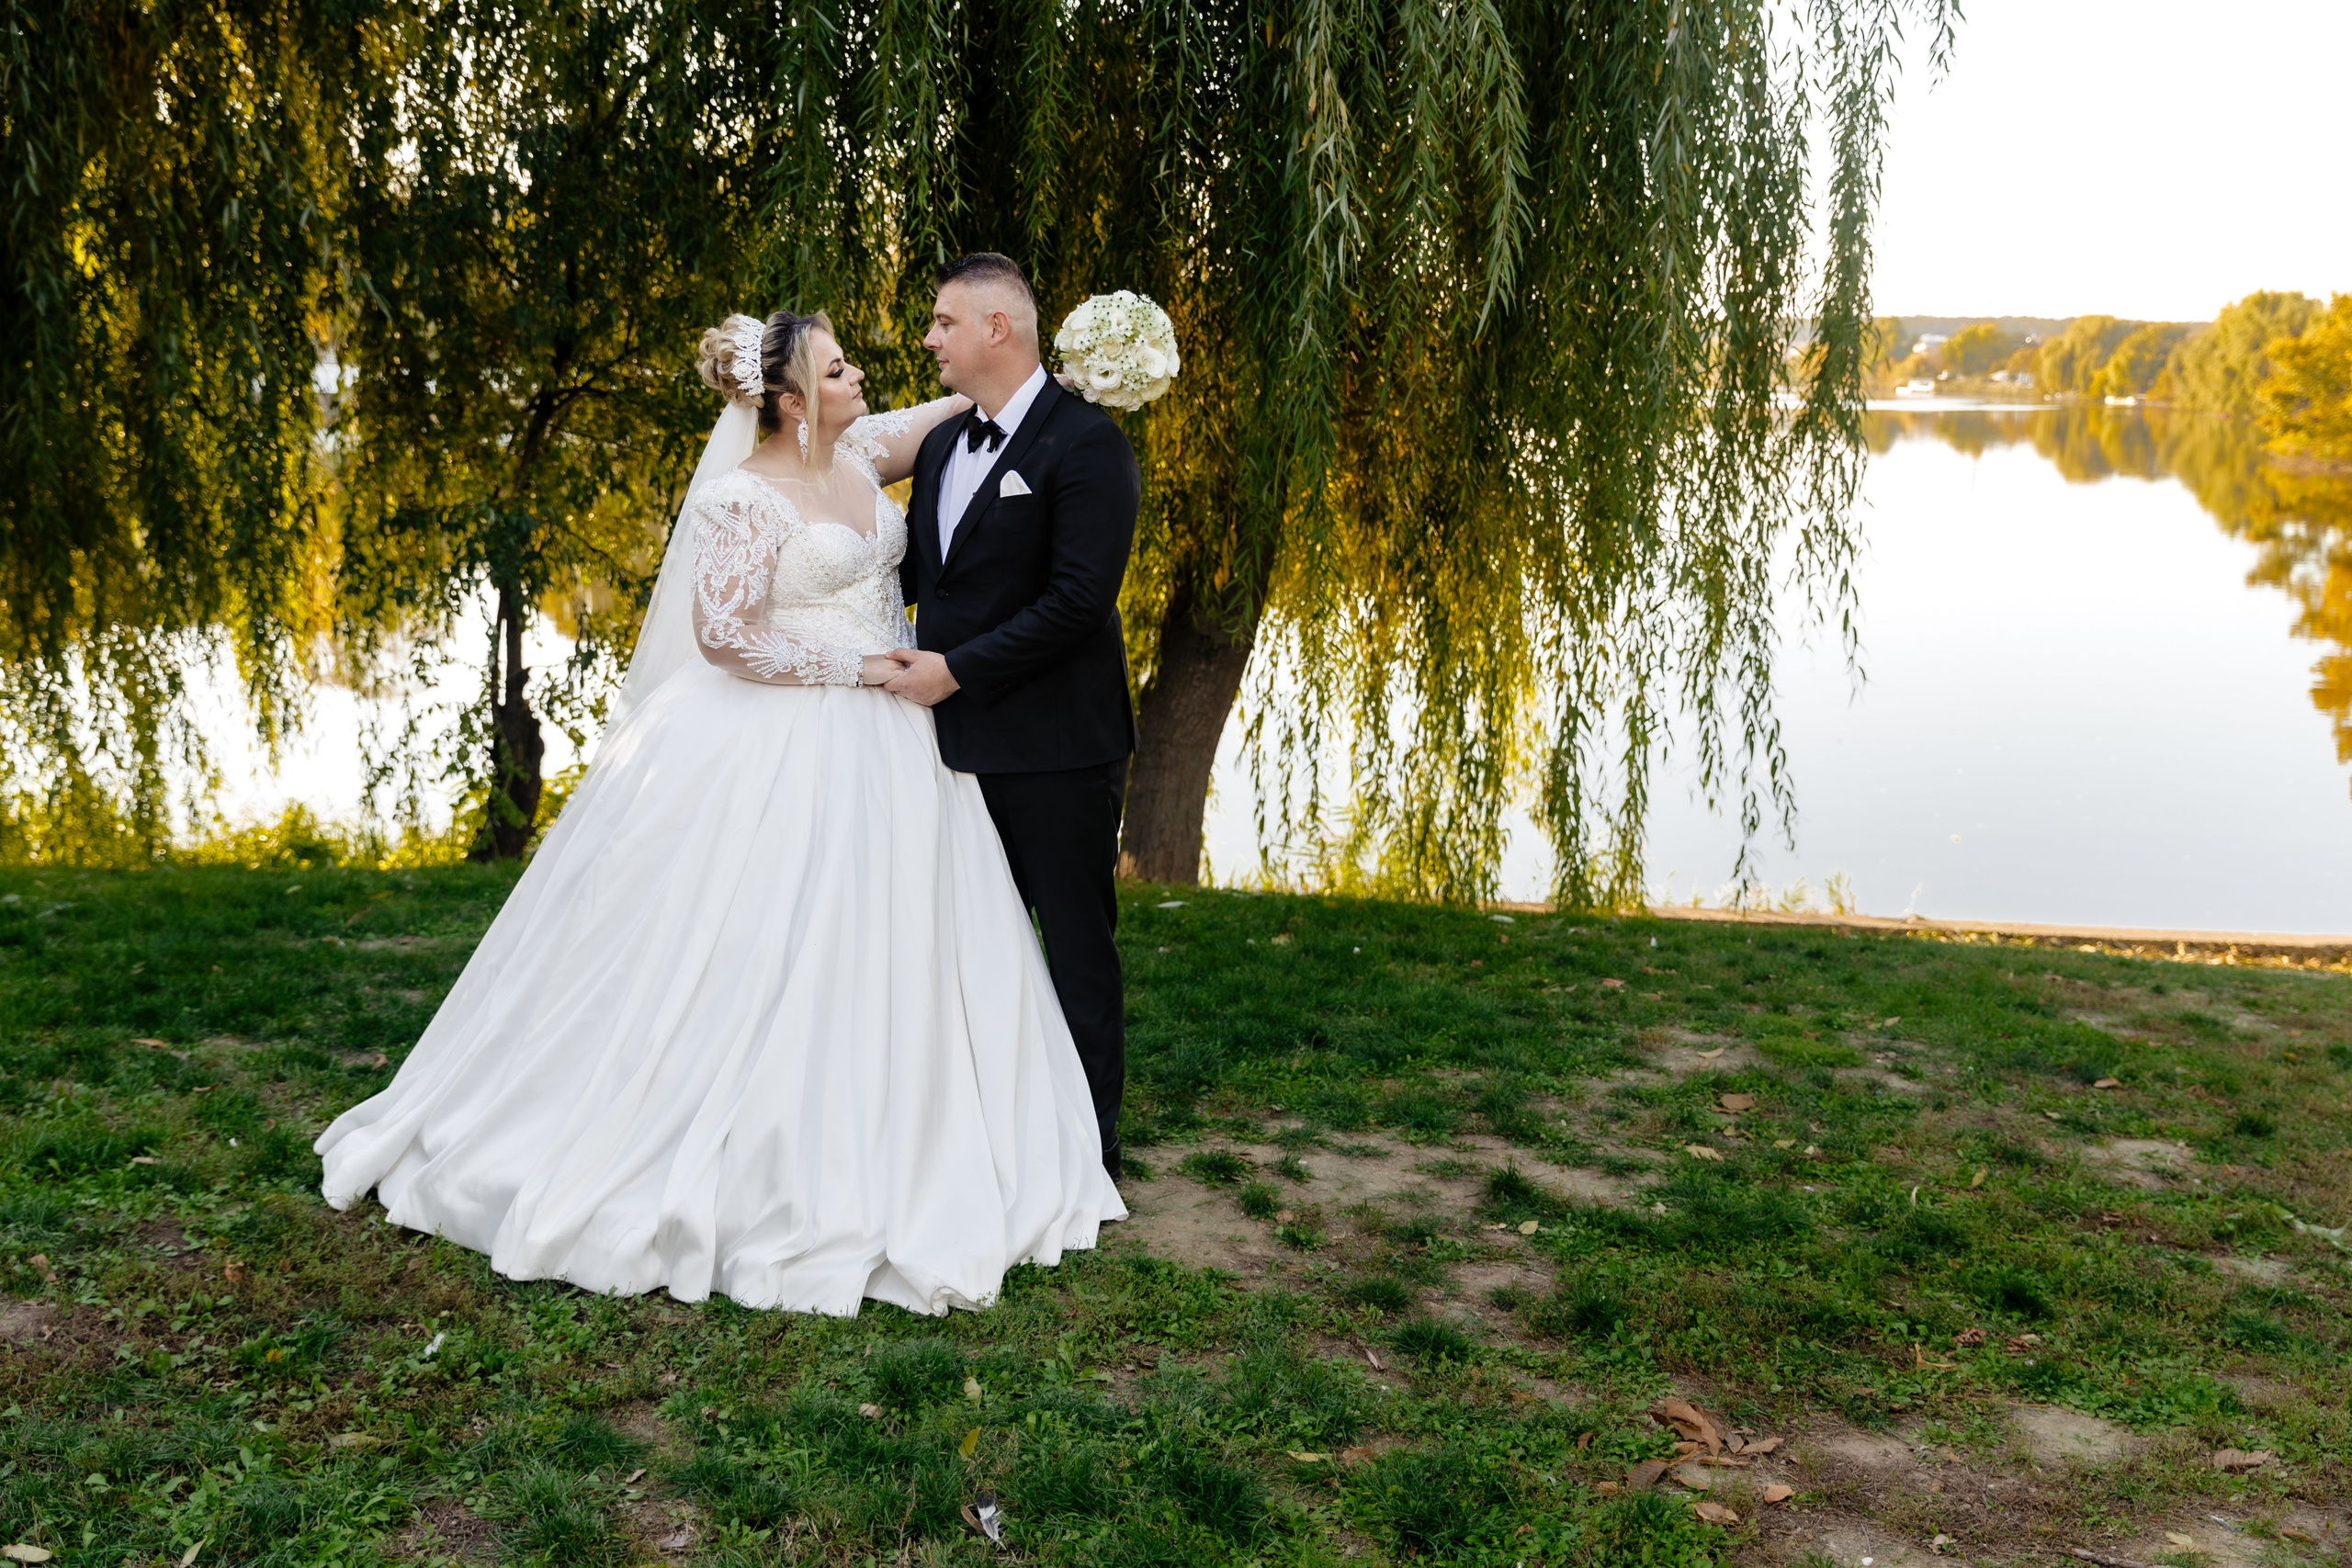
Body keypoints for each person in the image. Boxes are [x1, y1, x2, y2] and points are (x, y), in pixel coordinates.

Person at [313, 309, 1126, 1317]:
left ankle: (935, 1123)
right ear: (790, 402)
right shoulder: (743, 497)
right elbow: (727, 639)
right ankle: (747, 1144)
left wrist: (1090, 367)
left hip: (898, 748)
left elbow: (982, 399)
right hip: (783, 729)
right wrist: (860, 666)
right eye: (838, 368)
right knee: (755, 936)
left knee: (905, 936)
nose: (862, 372)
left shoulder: (867, 450)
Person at [884, 253, 1142, 1179]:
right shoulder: (947, 447)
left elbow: (1077, 601)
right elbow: (920, 576)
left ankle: (1089, 1153)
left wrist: (955, 671)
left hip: (1059, 747)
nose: (930, 339)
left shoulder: (1088, 444)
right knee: (971, 943)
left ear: (998, 327)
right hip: (950, 749)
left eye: (944, 322)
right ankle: (991, 1130)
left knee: (1074, 944)